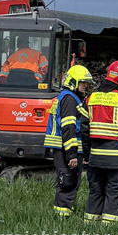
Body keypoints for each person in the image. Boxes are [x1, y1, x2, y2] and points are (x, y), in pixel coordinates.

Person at [80, 60, 118, 223]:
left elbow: (83, 129)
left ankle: (89, 224)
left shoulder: (91, 98)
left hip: (95, 158)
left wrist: (87, 155)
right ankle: (109, 229)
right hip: (117, 159)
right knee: (115, 192)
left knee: (95, 191)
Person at [44, 64, 94, 218]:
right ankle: (62, 217)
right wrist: (71, 154)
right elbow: (68, 128)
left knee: (68, 181)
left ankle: (63, 214)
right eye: (82, 83)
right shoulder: (70, 100)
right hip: (67, 148)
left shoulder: (67, 97)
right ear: (73, 82)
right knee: (68, 181)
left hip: (64, 147)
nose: (85, 86)